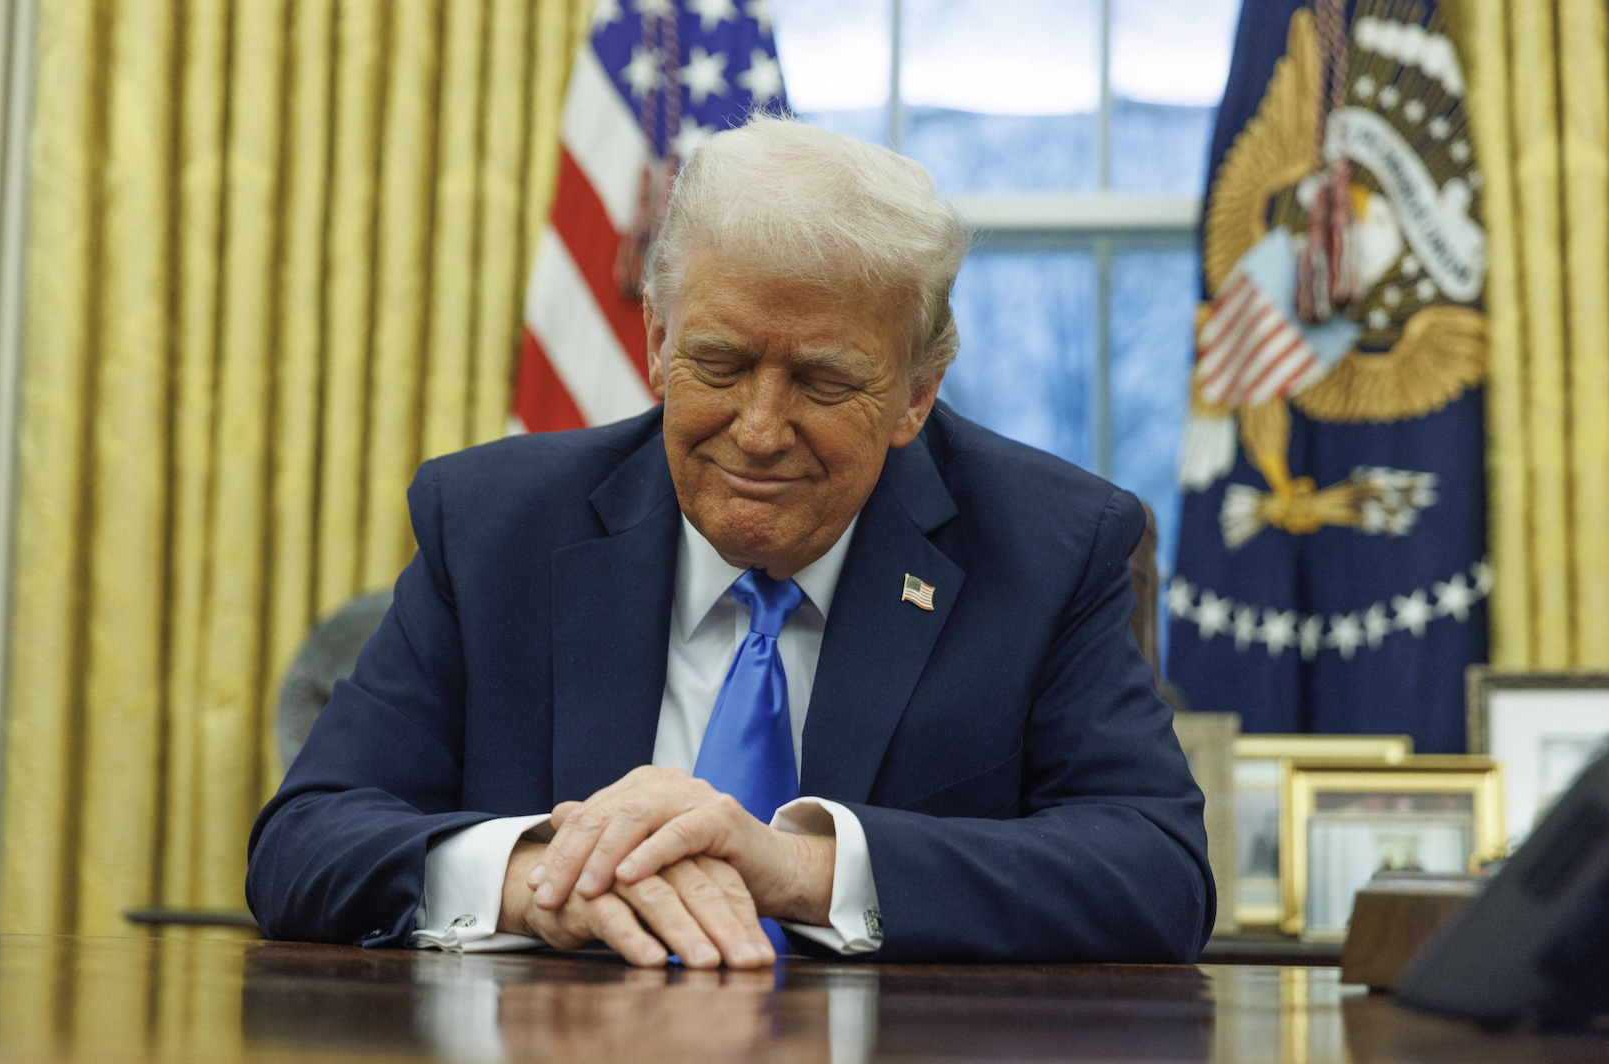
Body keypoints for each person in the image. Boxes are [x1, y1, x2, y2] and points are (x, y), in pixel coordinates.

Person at [246, 116, 1214, 967]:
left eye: (823, 381)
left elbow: (1153, 870)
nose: (757, 426)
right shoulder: (495, 524)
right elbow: (305, 841)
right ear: (659, 339)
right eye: (718, 361)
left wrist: (797, 867)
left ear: (916, 393)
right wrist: (548, 881)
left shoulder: (1048, 547)